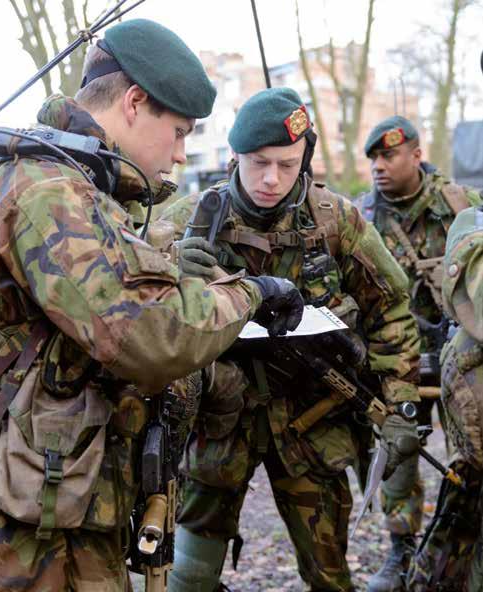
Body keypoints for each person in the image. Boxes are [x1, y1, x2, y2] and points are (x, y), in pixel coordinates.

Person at [0, 20, 306, 592]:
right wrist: (252, 292)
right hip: (15, 538)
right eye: (179, 132)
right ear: (134, 103)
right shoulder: (52, 194)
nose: (182, 154)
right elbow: (153, 336)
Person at [158, 87, 421, 592]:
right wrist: (172, 274)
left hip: (312, 424)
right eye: (258, 163)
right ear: (234, 155)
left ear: (305, 157)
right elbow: (133, 319)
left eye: (287, 163)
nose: (272, 179)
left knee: (329, 573)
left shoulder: (335, 221)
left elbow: (390, 309)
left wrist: (402, 405)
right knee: (187, 575)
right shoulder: (187, 222)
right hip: (217, 427)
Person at [357, 116, 482, 592]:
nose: (379, 167)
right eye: (373, 159)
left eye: (388, 156)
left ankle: (461, 550)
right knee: (397, 452)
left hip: (460, 365)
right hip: (399, 363)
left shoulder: (462, 205)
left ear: (415, 153)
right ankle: (401, 552)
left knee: (468, 457)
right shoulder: (364, 216)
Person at [408, 204, 483, 591]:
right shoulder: (473, 221)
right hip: (420, 356)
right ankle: (399, 544)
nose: (381, 167)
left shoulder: (450, 200)